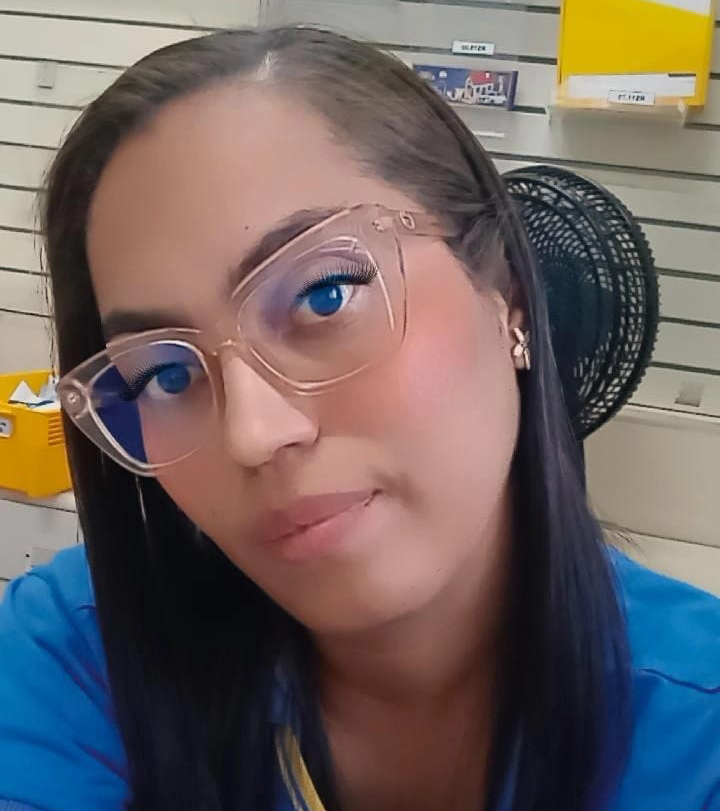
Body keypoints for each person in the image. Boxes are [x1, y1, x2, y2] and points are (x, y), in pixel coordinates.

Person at [0, 27, 718, 811]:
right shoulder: (77, 654)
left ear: (507, 294)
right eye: (165, 375)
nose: (252, 432)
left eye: (325, 295)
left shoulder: (695, 733)